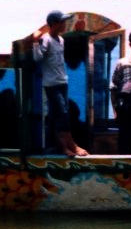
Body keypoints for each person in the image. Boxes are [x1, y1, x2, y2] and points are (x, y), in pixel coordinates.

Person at [31, 10, 88, 156]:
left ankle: (61, 145)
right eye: (61, 22)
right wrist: (35, 42)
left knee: (61, 114)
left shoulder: (61, 40)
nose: (64, 24)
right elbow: (37, 58)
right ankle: (68, 146)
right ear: (53, 24)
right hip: (51, 84)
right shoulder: (46, 39)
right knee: (62, 113)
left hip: (63, 81)